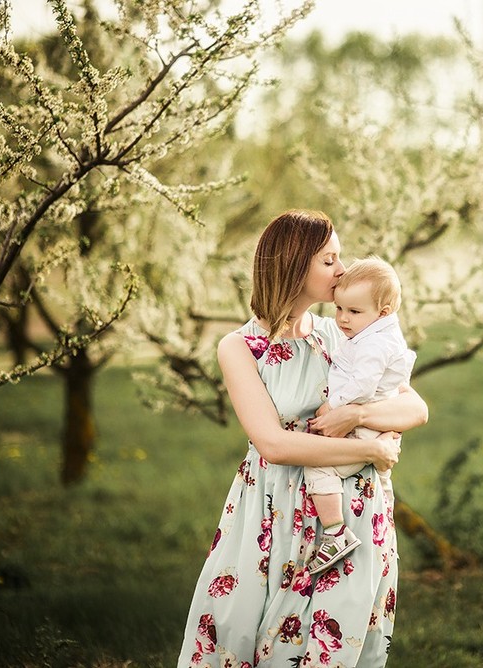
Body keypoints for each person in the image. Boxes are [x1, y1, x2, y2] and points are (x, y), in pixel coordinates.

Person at [176, 209, 428, 668]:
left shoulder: (345, 330)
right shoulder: (241, 347)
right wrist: (367, 446)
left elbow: (415, 408)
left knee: (337, 640)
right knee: (256, 630)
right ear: (295, 265)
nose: (343, 268)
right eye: (330, 259)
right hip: (275, 508)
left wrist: (357, 413)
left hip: (352, 510)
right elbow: (274, 444)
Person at [303, 257, 416, 576]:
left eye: (353, 312)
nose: (342, 319)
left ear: (383, 312)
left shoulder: (375, 345)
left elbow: (363, 385)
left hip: (362, 431)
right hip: (376, 428)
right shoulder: (376, 335)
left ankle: (336, 532)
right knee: (382, 484)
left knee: (317, 464)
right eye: (339, 309)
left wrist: (333, 406)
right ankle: (385, 527)